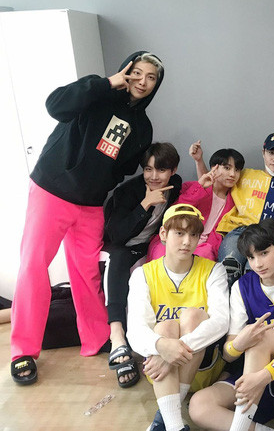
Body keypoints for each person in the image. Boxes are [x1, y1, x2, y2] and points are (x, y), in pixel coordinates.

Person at [10, 51, 164, 385]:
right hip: (52, 191)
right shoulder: (97, 92)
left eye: (151, 77)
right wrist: (106, 84)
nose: (142, 81)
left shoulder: (143, 126)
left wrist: (101, 179)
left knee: (87, 273)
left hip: (91, 204)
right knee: (33, 266)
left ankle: (97, 339)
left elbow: (126, 167)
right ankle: (23, 350)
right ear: (125, 70)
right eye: (137, 73)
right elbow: (55, 105)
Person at [189, 219, 274, 431]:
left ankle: (240, 424)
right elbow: (229, 354)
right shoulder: (241, 287)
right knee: (199, 406)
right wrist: (239, 344)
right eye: (251, 257)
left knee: (261, 336)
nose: (258, 263)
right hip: (254, 370)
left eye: (264, 253)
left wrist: (265, 374)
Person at [126, 204, 229, 431]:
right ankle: (174, 425)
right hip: (160, 372)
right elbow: (135, 329)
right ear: (163, 234)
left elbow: (221, 321)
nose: (187, 241)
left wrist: (172, 351)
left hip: (202, 369)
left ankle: (165, 419)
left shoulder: (214, 270)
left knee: (193, 316)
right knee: (165, 328)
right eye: (179, 233)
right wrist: (162, 346)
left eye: (193, 235)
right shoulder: (143, 274)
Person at [103, 142, 181, 388]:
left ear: (173, 171)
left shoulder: (175, 185)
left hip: (149, 245)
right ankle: (117, 337)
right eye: (148, 169)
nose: (154, 176)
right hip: (122, 245)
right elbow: (116, 235)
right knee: (118, 261)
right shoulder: (128, 192)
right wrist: (144, 204)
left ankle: (157, 338)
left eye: (161, 170)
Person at [193, 132, 274, 285]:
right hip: (239, 231)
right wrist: (199, 161)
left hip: (267, 237)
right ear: (263, 153)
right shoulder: (244, 175)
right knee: (229, 269)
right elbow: (210, 182)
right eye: (271, 153)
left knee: (254, 277)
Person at [147, 144, 245, 261]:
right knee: (163, 257)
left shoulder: (235, 202)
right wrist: (199, 187)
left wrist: (211, 249)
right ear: (214, 168)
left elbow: (220, 234)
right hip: (176, 238)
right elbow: (175, 211)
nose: (232, 174)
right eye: (227, 168)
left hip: (205, 247)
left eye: (237, 170)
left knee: (203, 258)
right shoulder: (193, 187)